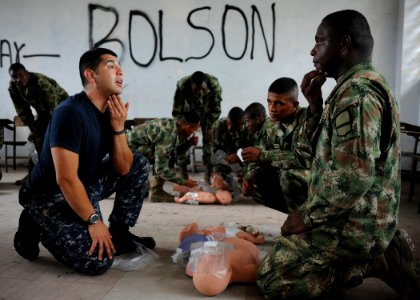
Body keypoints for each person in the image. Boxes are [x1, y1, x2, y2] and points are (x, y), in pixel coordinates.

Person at [256, 10, 420, 299]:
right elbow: (311, 157)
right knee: (283, 179)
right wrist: (315, 106)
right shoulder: (348, 88)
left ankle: (374, 259)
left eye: (320, 41)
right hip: (353, 206)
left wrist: (307, 216)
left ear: (343, 44)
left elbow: (354, 178)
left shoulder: (357, 95)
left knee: (273, 275)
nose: (313, 50)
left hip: (361, 218)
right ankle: (370, 249)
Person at [13, 48, 155, 276]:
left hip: (85, 183)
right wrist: (94, 220)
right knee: (97, 261)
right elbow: (66, 179)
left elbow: (124, 168)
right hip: (51, 194)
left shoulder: (110, 112)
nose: (120, 71)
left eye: (119, 65)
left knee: (138, 162)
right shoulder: (70, 113)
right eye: (111, 66)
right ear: (91, 75)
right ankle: (35, 219)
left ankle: (119, 232)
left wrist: (118, 128)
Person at [241, 78, 320, 213]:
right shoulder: (272, 125)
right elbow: (263, 153)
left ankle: (304, 223)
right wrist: (250, 175)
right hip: (295, 177)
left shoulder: (307, 121)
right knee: (256, 179)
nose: (272, 108)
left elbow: (304, 159)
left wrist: (262, 155)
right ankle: (295, 217)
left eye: (279, 104)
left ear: (294, 105)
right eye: (269, 102)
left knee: (288, 176)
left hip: (318, 178)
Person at [8, 63, 69, 184]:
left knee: (54, 140)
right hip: (43, 112)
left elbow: (54, 107)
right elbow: (22, 110)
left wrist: (52, 129)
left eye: (20, 75)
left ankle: (60, 176)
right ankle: (33, 175)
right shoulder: (14, 87)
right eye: (14, 77)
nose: (18, 79)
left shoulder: (41, 82)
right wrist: (33, 129)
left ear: (26, 72)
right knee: (37, 139)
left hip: (63, 109)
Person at [174, 223, 262, 296]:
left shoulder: (192, 269)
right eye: (214, 262)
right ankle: (255, 239)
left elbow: (189, 267)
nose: (210, 256)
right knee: (233, 232)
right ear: (229, 271)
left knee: (216, 231)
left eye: (203, 260)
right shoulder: (243, 271)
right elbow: (259, 271)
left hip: (218, 238)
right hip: (240, 242)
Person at [128, 112, 200, 202]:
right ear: (188, 127)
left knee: (168, 154)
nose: (194, 133)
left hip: (138, 148)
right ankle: (156, 192)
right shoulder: (168, 134)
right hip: (127, 151)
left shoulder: (175, 125)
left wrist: (189, 144)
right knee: (165, 158)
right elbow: (161, 168)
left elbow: (174, 151)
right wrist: (183, 181)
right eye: (194, 130)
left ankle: (152, 188)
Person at [172, 71, 223, 182]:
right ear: (191, 86)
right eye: (196, 90)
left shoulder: (214, 85)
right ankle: (183, 175)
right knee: (182, 139)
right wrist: (181, 128)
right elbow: (177, 110)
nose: (200, 93)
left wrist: (209, 126)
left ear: (207, 86)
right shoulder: (182, 85)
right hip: (190, 114)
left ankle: (208, 176)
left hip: (207, 114)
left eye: (203, 90)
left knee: (210, 140)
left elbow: (216, 109)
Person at [211, 106, 248, 200]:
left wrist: (238, 158)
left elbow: (252, 149)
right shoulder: (219, 125)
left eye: (234, 125)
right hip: (225, 159)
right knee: (217, 180)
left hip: (243, 159)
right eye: (229, 123)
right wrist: (218, 171)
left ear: (242, 123)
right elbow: (216, 151)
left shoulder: (248, 127)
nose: (230, 127)